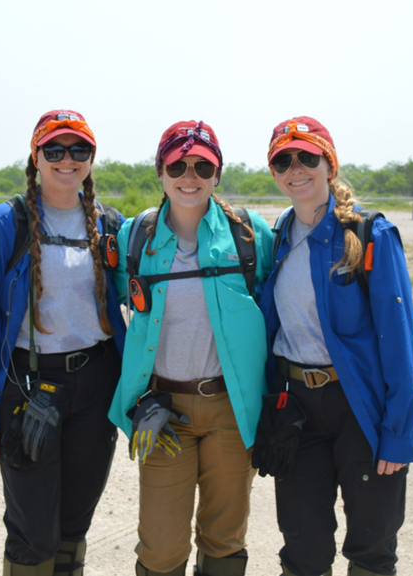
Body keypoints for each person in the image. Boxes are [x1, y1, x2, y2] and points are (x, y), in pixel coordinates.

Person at [252, 117, 413, 576]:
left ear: (329, 164)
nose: (296, 168)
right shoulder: (280, 235)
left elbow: (400, 342)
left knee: (371, 545)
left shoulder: (371, 234)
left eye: (308, 157)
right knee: (303, 548)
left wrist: (399, 433)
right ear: (273, 173)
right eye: (283, 161)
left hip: (360, 408)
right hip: (297, 410)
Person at [0, 110, 127, 576]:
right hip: (27, 386)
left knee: (75, 522)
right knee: (34, 528)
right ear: (36, 157)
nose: (67, 160)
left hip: (96, 386)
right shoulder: (1, 228)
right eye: (54, 150)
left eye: (79, 150)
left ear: (91, 159)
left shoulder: (110, 224)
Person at [108, 120, 274, 576]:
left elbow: (281, 312)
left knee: (224, 541)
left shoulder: (249, 234)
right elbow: (109, 310)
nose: (190, 175)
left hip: (231, 409)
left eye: (203, 165)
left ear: (217, 175)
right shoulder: (134, 237)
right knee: (161, 548)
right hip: (163, 413)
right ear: (160, 171)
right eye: (178, 164)